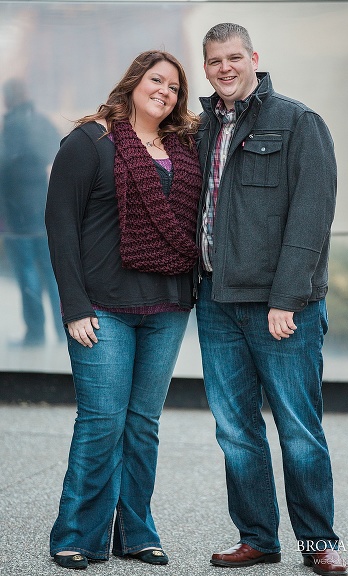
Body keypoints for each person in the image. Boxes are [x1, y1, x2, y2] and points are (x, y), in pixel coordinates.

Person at [194, 24, 345, 575]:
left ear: (254, 58)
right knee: (235, 431)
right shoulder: (202, 128)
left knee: (299, 430)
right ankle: (257, 538)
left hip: (280, 307)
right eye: (215, 61)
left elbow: (312, 216)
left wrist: (287, 298)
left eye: (235, 57)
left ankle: (319, 542)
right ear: (206, 67)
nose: (225, 68)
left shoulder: (298, 122)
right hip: (216, 301)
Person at [45, 50, 201, 569]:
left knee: (142, 425)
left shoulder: (184, 149)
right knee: (102, 422)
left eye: (175, 88)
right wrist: (74, 306)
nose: (165, 92)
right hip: (102, 307)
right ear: (134, 82)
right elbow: (61, 225)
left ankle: (136, 531)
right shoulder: (90, 141)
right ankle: (77, 535)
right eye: (157, 80)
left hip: (168, 305)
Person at [0, 78, 61, 346]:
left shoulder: (9, 127)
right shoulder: (41, 122)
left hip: (16, 215)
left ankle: (35, 333)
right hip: (44, 209)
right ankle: (63, 331)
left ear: (7, 98)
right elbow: (59, 151)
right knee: (52, 272)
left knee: (27, 272)